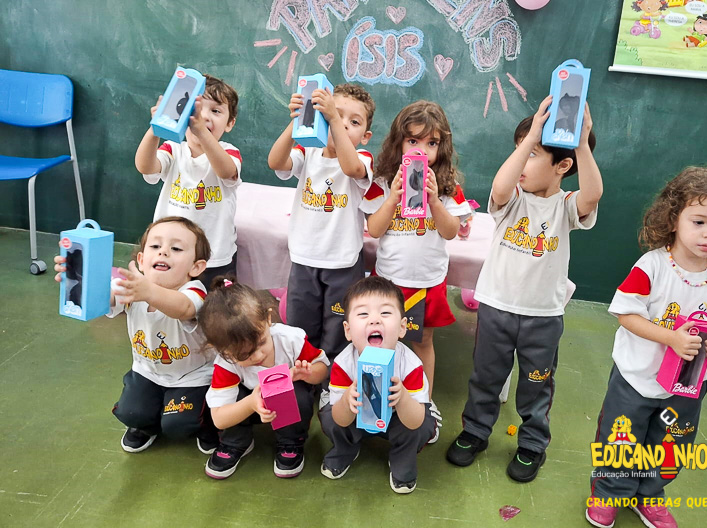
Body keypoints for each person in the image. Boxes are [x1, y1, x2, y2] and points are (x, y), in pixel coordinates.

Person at [446, 96, 602, 483]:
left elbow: (593, 194)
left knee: (537, 384)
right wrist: (531, 137)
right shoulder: (511, 201)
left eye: (532, 155)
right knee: (486, 377)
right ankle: (475, 431)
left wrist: (582, 142)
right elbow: (500, 186)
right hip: (496, 308)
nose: (521, 162)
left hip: (542, 317)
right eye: (520, 151)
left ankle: (532, 443)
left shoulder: (566, 206)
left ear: (563, 166)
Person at [585, 166, 707, 528]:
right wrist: (672, 338)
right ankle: (609, 493)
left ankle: (649, 495)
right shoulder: (652, 266)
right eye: (699, 221)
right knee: (621, 439)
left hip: (688, 386)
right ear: (674, 218)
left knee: (671, 443)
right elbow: (626, 314)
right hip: (636, 379)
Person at [53, 216, 218, 454]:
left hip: (192, 377)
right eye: (155, 246)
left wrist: (149, 292)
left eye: (176, 248)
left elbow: (184, 308)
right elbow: (102, 299)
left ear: (196, 267)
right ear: (141, 260)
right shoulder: (133, 285)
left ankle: (209, 424)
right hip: (147, 372)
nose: (163, 252)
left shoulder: (194, 291)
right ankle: (146, 426)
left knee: (178, 425)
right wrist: (78, 277)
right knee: (131, 413)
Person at [361, 101, 472, 431]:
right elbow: (374, 229)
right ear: (398, 142)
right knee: (380, 341)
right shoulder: (383, 182)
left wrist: (435, 200)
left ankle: (424, 401)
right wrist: (393, 197)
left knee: (422, 342)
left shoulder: (447, 187)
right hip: (388, 283)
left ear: (442, 147)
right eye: (413, 141)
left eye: (431, 142)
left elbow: (450, 232)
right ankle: (377, 398)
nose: (421, 149)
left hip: (426, 282)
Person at [268, 83, 375, 362]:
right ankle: (304, 377)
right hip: (304, 259)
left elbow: (351, 168)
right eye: (334, 114)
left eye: (354, 122)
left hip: (343, 263)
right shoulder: (308, 152)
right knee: (301, 332)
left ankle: (332, 381)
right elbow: (275, 162)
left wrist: (334, 120)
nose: (343, 123)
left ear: (365, 137)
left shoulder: (362, 158)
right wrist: (297, 121)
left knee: (338, 332)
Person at [199, 281, 329, 479]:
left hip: (287, 397)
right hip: (250, 402)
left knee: (299, 394)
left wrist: (306, 374)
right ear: (222, 351)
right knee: (231, 400)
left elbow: (323, 370)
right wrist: (251, 403)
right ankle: (235, 442)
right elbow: (219, 418)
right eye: (244, 355)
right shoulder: (225, 364)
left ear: (268, 318)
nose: (258, 355)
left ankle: (290, 441)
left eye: (261, 342)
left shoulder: (290, 339)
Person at [319, 276, 437, 494]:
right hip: (356, 417)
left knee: (422, 425)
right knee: (329, 416)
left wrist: (402, 398)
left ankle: (402, 459)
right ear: (348, 330)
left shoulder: (410, 365)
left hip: (398, 419)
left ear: (402, 327)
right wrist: (347, 401)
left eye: (385, 313)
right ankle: (345, 449)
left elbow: (415, 422)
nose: (374, 320)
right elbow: (340, 419)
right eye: (363, 314)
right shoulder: (344, 363)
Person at [135, 74, 242, 289]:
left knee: (216, 307)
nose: (203, 116)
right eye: (195, 108)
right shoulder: (173, 149)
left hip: (215, 258)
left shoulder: (228, 152)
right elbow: (145, 166)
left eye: (215, 111)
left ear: (230, 123)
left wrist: (201, 131)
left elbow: (226, 172)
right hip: (170, 256)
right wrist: (155, 128)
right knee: (167, 303)